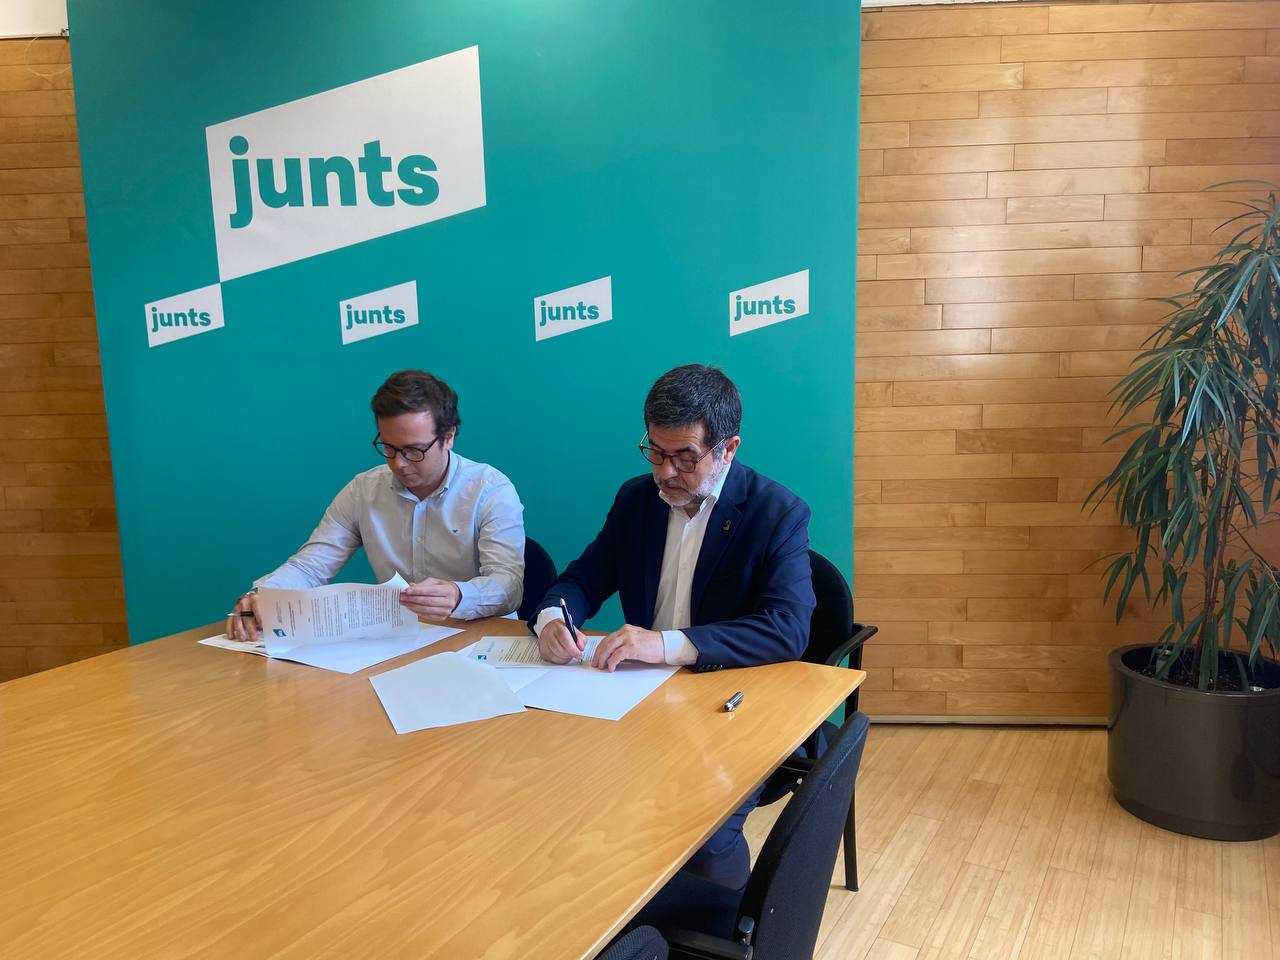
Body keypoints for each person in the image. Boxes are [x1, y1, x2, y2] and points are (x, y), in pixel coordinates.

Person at [529, 363, 815, 887]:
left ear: (728, 449)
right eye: (655, 452)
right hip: (638, 699)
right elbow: (584, 578)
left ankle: (721, 925)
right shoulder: (636, 500)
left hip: (725, 703)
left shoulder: (776, 512)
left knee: (705, 837)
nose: (665, 472)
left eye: (684, 457)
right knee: (552, 788)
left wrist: (665, 644)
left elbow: (786, 628)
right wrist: (553, 618)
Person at [226, 370, 525, 640]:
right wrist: (263, 595)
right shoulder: (364, 490)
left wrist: (459, 596)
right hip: (397, 640)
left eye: (414, 450)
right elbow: (311, 565)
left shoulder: (490, 490)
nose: (398, 463)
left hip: (479, 638)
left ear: (448, 437)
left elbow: (508, 584)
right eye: (388, 448)